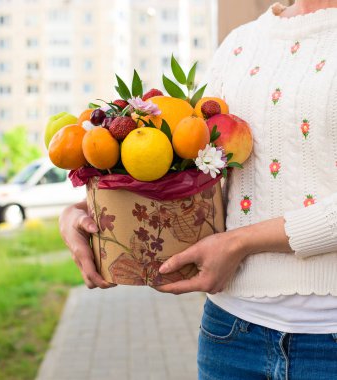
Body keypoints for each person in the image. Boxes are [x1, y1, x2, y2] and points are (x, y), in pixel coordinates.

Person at [59, 1, 337, 378]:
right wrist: (93, 215)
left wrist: (240, 242)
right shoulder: (242, 44)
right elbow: (206, 177)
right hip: (232, 334)